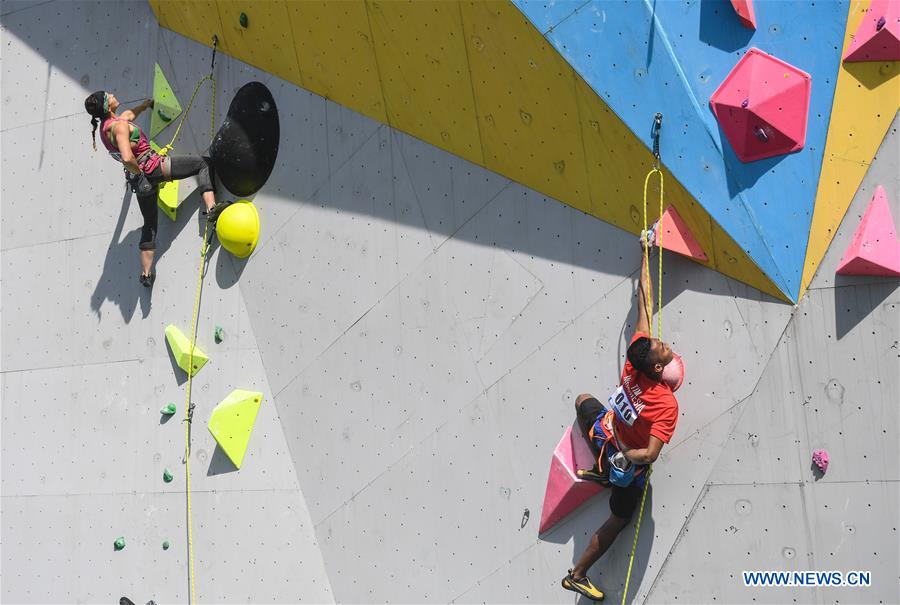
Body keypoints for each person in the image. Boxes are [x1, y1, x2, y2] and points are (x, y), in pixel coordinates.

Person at [561, 233, 680, 601]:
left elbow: (644, 301)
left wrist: (645, 252)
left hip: (605, 433)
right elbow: (650, 455)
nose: (662, 341)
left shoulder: (635, 355)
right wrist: (624, 460)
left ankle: (601, 467)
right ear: (658, 367)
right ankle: (578, 573)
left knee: (583, 400)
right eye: (661, 346)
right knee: (618, 519)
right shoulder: (665, 405)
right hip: (624, 457)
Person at [84, 90, 227, 287]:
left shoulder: (106, 128)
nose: (112, 93)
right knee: (203, 164)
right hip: (152, 168)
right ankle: (212, 209)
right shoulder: (119, 128)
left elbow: (128, 116)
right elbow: (127, 157)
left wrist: (145, 105)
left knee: (150, 224)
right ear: (107, 106)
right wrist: (141, 173)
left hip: (140, 183)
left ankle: (145, 274)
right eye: (108, 95)